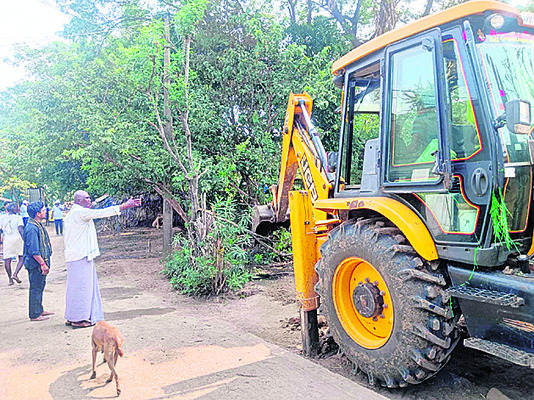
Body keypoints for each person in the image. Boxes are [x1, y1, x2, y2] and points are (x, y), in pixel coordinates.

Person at [64, 190, 140, 328]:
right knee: (82, 287)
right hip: (80, 255)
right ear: (79, 200)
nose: (90, 200)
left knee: (76, 287)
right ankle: (79, 318)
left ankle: (73, 316)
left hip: (76, 255)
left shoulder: (73, 213)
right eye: (87, 198)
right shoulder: (79, 212)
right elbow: (101, 213)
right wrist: (124, 206)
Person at [23, 201, 53, 321]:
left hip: (39, 262)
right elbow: (34, 250)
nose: (45, 212)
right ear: (37, 213)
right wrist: (42, 263)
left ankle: (39, 309)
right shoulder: (32, 228)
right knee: (35, 287)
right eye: (43, 210)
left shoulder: (37, 225)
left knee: (40, 285)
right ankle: (34, 314)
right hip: (35, 264)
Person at [0, 203, 24, 285]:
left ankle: (10, 279)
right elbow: (20, 229)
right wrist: (24, 239)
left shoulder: (2, 217)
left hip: (7, 239)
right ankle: (15, 274)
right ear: (15, 209)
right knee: (21, 256)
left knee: (7, 259)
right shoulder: (18, 217)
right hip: (17, 238)